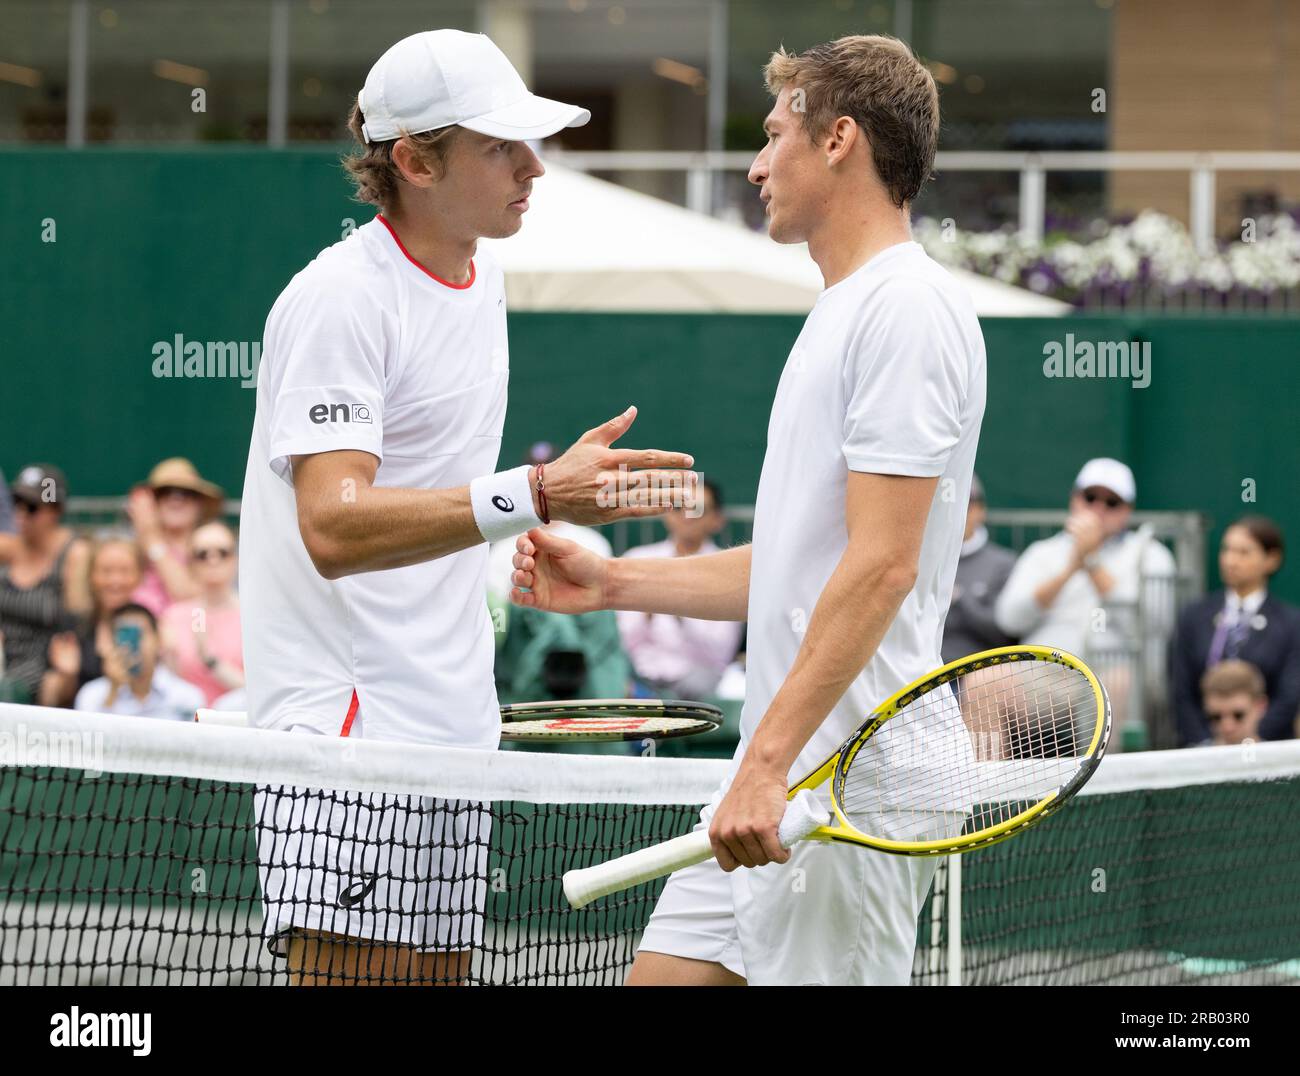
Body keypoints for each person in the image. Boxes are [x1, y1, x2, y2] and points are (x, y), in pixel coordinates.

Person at [512, 34, 986, 985]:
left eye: (776, 135)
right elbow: (801, 567)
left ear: (840, 139)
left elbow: (884, 566)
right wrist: (612, 581)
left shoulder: (907, 311)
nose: (757, 164)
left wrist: (764, 763)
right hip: (779, 783)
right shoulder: (843, 311)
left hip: (845, 788)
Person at [237, 29, 694, 986]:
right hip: (348, 741)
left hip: (453, 727)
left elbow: (437, 498)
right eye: (500, 147)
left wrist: (529, 541)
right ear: (413, 161)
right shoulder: (339, 301)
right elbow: (333, 525)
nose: (534, 168)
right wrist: (532, 495)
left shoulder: (482, 274)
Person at [994, 458, 1176, 736]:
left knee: (1115, 686)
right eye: (1090, 498)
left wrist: (1091, 562)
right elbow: (1009, 619)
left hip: (1113, 672)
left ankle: (1106, 781)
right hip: (1045, 673)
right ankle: (988, 779)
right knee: (983, 683)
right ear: (1074, 500)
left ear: (1127, 511)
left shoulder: (1151, 554)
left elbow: (1152, 626)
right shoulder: (1043, 551)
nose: (1099, 509)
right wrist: (1070, 568)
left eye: (1112, 502)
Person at [1172, 516, 1300, 744]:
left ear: (1271, 559)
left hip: (1269, 752)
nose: (1231, 560)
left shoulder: (1291, 624)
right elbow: (1181, 689)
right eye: (1227, 550)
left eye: (1244, 552)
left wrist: (1258, 738)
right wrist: (1204, 743)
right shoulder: (1193, 617)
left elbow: (1290, 692)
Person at [616, 478, 744, 698]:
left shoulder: (728, 570)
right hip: (639, 677)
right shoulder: (637, 559)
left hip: (697, 683)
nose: (686, 516)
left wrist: (677, 606)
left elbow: (719, 655)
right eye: (678, 507)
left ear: (717, 520)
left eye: (697, 509)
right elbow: (621, 642)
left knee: (698, 686)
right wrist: (647, 610)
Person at [0, 465, 90, 703]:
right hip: (3, 656)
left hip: (44, 665)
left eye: (31, 508)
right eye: (16, 504)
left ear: (55, 510)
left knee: (8, 691)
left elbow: (77, 624)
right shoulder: (9, 548)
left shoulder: (75, 553)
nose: (21, 514)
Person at [39, 535, 146, 707]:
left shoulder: (149, 626)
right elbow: (50, 701)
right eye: (106, 571)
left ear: (140, 576)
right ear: (91, 575)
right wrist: (67, 676)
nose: (115, 581)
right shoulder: (72, 625)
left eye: (125, 571)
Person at [159, 521, 244, 706]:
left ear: (235, 559)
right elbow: (167, 688)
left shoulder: (252, 616)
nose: (213, 560)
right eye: (202, 554)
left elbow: (257, 691)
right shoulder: (173, 617)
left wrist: (211, 661)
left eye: (222, 553)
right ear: (190, 563)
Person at [73, 603, 205, 721]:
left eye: (139, 635)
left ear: (158, 639)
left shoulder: (187, 697)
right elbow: (91, 743)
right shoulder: (91, 695)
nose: (131, 645)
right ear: (112, 642)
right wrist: (112, 694)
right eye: (124, 636)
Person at [127, 457, 224, 616]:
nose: (175, 500)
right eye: (165, 493)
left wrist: (152, 541)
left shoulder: (212, 546)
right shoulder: (132, 549)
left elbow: (188, 596)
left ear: (200, 503)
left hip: (192, 635)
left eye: (186, 493)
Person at [941, 474, 1016, 664]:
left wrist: (960, 599)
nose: (959, 512)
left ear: (981, 511)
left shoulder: (1003, 564)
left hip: (979, 673)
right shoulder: (921, 562)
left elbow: (1006, 631)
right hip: (922, 674)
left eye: (968, 504)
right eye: (951, 504)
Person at [1199, 660, 1271, 747]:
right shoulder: (1192, 758)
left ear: (1261, 706)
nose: (1228, 727)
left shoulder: (1279, 758)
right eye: (1216, 717)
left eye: (1238, 715)